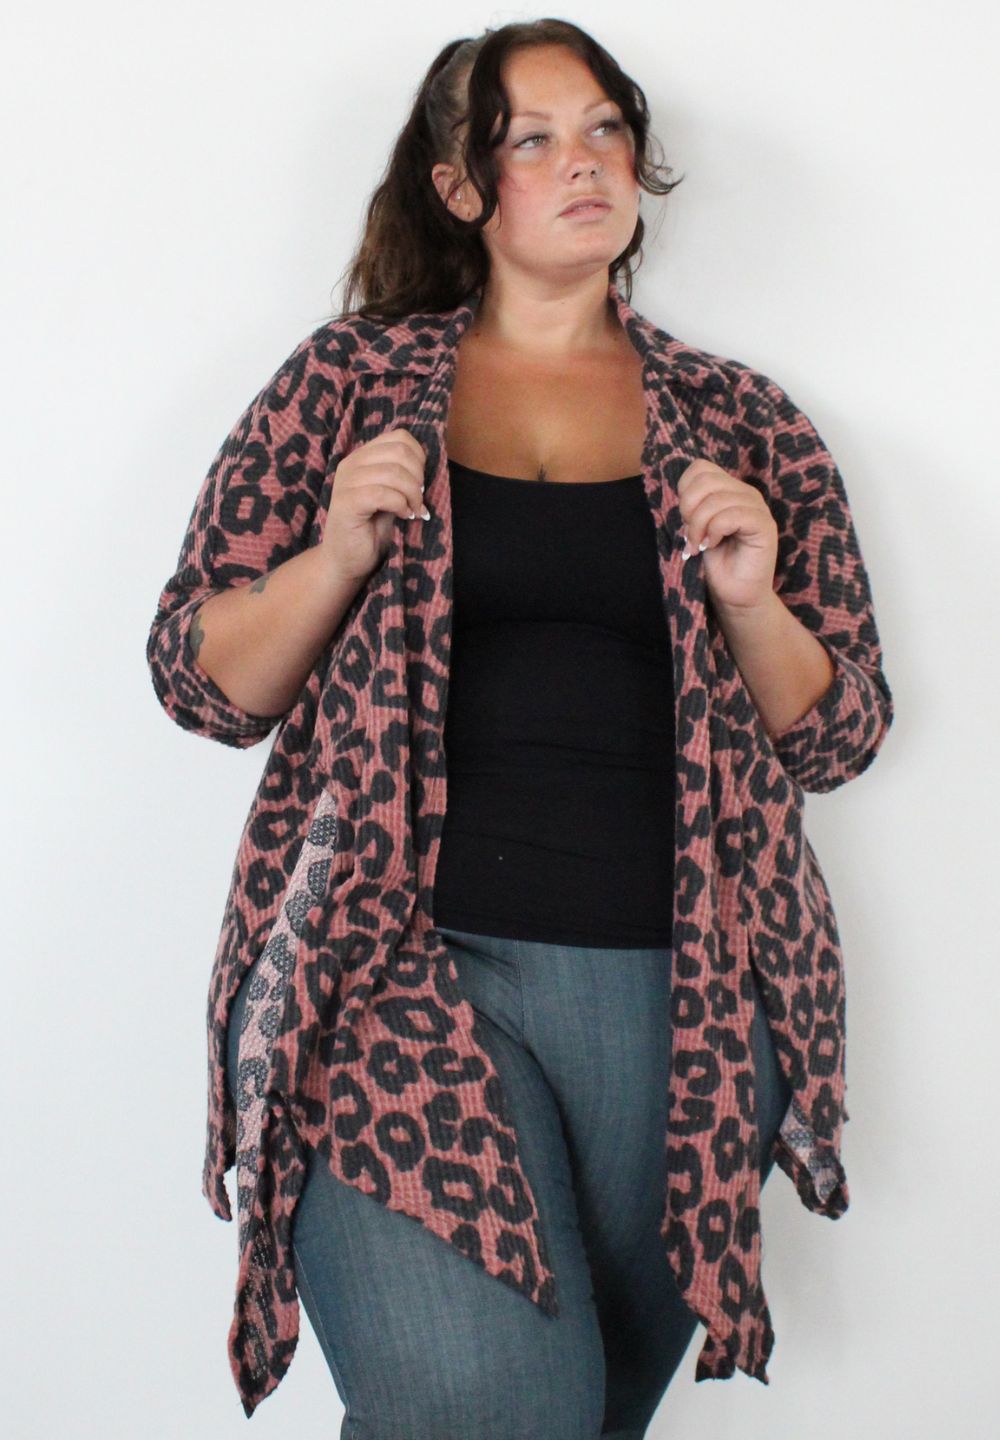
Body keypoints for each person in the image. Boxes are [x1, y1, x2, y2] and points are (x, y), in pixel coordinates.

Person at [146, 18, 894, 1433]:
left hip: (685, 1009)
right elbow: (200, 679)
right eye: (531, 140)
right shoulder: (346, 386)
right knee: (484, 1407)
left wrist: (749, 598)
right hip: (398, 967)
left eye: (605, 129)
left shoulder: (744, 421)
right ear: (459, 188)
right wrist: (334, 556)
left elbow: (839, 734)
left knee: (574, 1418)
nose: (583, 162)